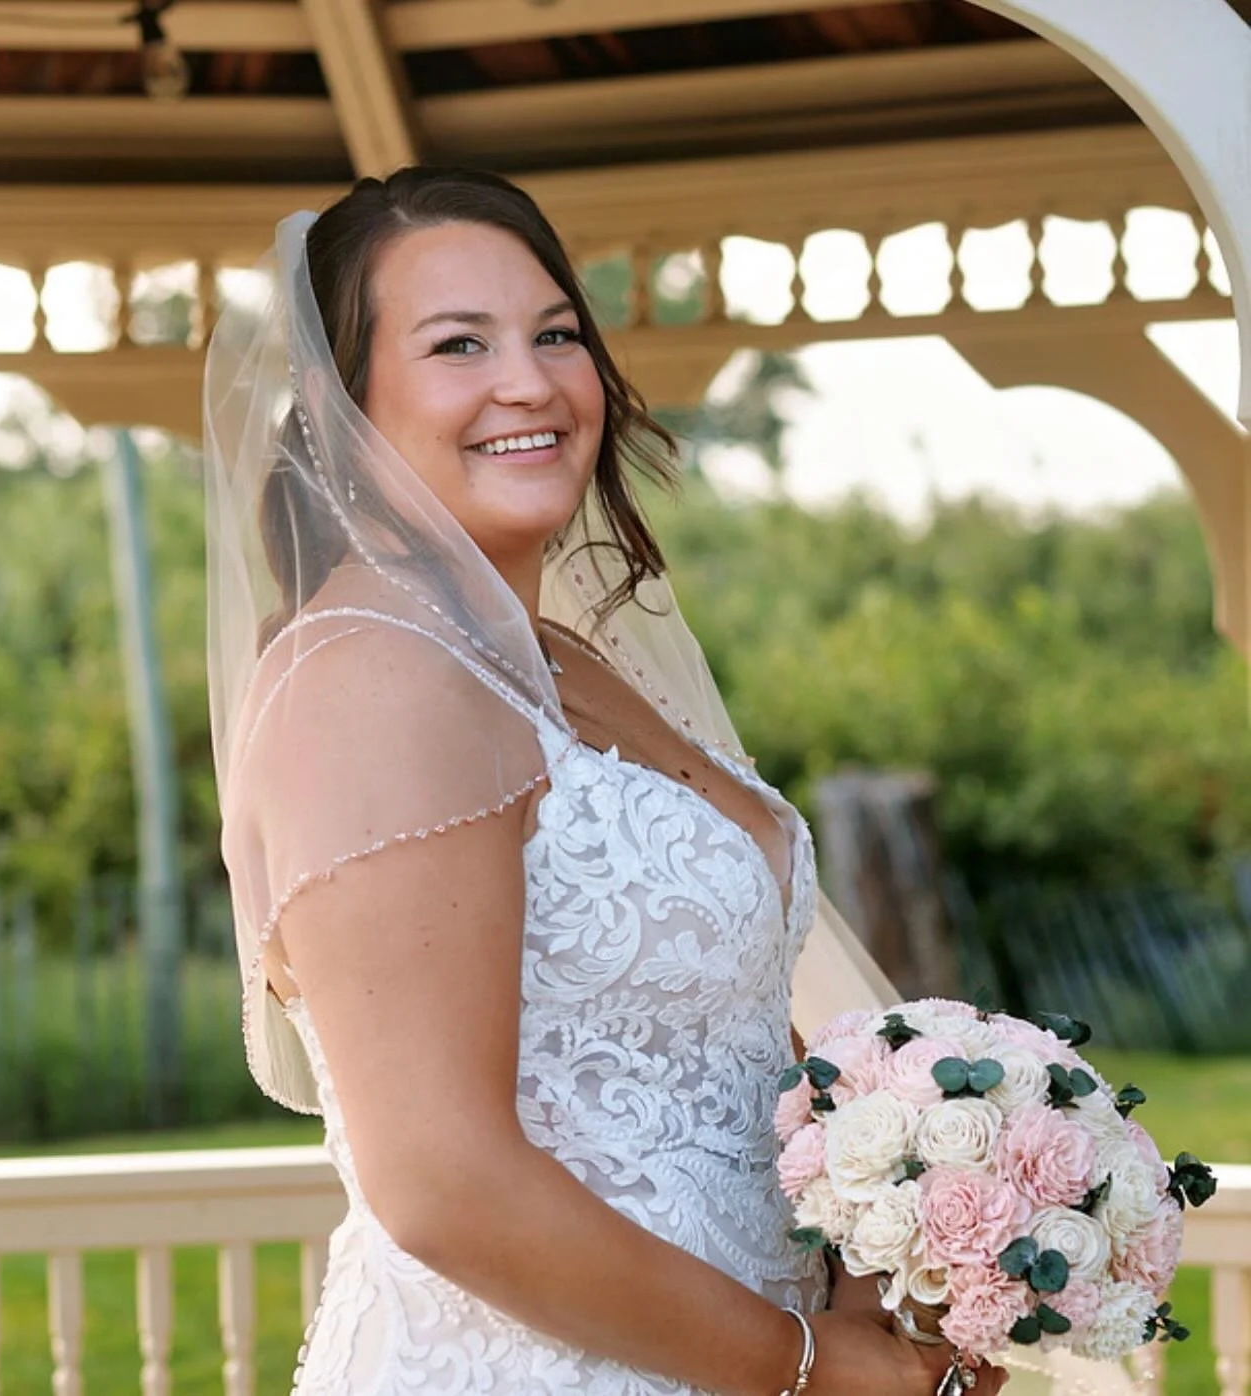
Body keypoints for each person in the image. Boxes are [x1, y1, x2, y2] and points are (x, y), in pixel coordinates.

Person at [203, 167, 1008, 1396]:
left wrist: (883, 1233)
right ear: (340, 401)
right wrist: (807, 1370)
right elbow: (443, 1183)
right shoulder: (368, 678)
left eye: (556, 333)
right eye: (458, 344)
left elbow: (727, 1030)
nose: (527, 381)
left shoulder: (559, 660)